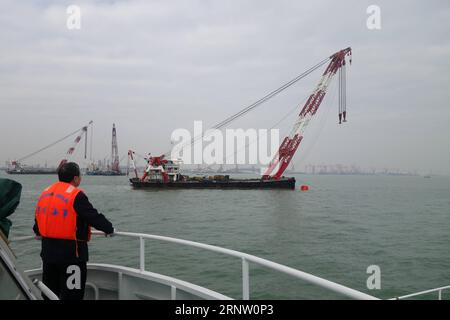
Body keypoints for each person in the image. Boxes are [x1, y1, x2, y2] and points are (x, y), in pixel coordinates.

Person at [33, 162, 114, 300]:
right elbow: (92, 216)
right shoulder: (75, 195)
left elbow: (38, 223)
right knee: (72, 295)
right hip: (71, 256)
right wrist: (109, 228)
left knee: (49, 294)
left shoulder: (46, 193)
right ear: (76, 178)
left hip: (48, 255)